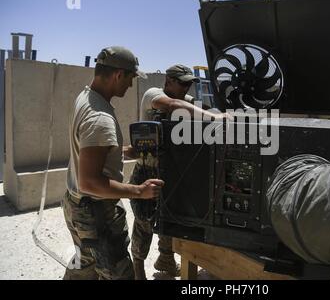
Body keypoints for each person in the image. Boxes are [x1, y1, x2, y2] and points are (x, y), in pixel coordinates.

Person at [63, 46, 164, 280]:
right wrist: (140, 191)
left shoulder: (86, 97)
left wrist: (126, 151)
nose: (130, 86)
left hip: (77, 204)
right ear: (118, 75)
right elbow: (89, 182)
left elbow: (91, 153)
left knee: (85, 261)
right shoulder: (100, 118)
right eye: (130, 79)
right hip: (96, 211)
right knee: (118, 273)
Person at [130, 64, 231, 280]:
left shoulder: (186, 103)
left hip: (170, 171)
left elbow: (198, 110)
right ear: (168, 82)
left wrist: (220, 114)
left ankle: (166, 259)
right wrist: (214, 117)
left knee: (171, 217)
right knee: (144, 222)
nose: (186, 88)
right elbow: (173, 105)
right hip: (147, 170)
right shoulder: (154, 95)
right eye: (182, 83)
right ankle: (138, 269)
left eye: (189, 84)